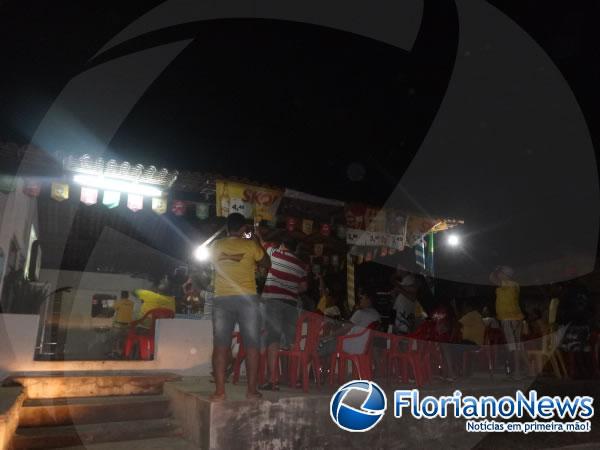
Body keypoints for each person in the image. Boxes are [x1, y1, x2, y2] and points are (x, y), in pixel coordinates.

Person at [209, 213, 269, 401]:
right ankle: (251, 391)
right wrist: (256, 240)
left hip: (222, 299)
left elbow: (210, 264)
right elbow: (267, 264)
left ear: (227, 228)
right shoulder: (251, 245)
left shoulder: (215, 245)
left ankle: (219, 392)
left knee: (220, 346)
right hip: (248, 300)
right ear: (244, 228)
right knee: (252, 346)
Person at [260, 235, 308, 391]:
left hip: (273, 302)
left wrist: (257, 233)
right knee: (293, 342)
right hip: (291, 304)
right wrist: (290, 286)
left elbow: (261, 243)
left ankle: (272, 380)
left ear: (282, 244)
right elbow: (303, 287)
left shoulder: (274, 253)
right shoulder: (301, 265)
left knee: (272, 339)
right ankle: (299, 380)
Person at [318, 290, 381, 365]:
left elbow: (345, 329)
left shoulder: (360, 313)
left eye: (361, 298)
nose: (359, 301)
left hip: (351, 345)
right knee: (329, 342)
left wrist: (328, 336)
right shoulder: (376, 314)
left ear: (369, 300)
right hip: (364, 346)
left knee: (323, 344)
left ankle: (314, 365)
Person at [490, 265, 527, 378]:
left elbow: (491, 278)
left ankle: (517, 372)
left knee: (513, 346)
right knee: (517, 346)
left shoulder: (508, 284)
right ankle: (527, 369)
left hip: (509, 318)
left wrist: (495, 269)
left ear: (506, 275)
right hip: (515, 318)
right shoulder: (513, 285)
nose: (499, 275)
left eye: (501, 273)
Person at [391, 264, 418, 334]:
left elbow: (413, 297)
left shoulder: (410, 279)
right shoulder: (403, 281)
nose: (397, 269)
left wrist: (399, 289)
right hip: (400, 317)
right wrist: (394, 295)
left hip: (406, 318)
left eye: (399, 267)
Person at [109, 290, 134, 357]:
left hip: (118, 325)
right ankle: (122, 352)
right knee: (124, 339)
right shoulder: (132, 303)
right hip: (127, 325)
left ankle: (114, 353)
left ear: (121, 295)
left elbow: (112, 310)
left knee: (114, 339)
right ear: (128, 296)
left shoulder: (118, 302)